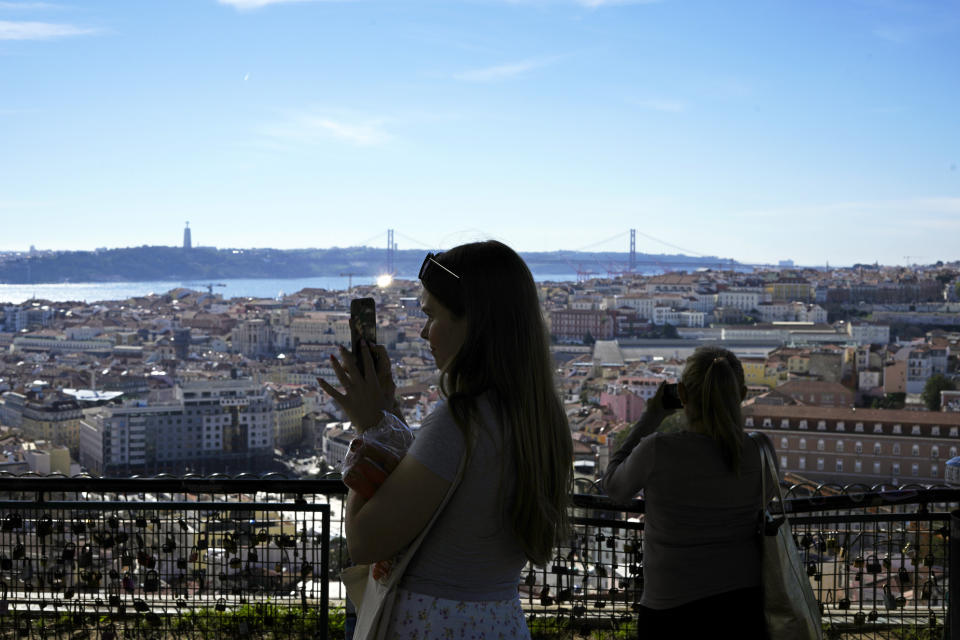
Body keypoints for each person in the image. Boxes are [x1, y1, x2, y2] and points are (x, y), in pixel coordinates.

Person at [319, 240, 573, 638]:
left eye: (432, 315)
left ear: (472, 322)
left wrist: (371, 431)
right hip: (501, 620)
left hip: (433, 623)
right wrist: (390, 416)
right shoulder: (541, 417)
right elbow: (444, 485)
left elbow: (365, 541)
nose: (423, 332)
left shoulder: (461, 421)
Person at [602, 346, 769, 639]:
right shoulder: (760, 451)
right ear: (742, 394)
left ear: (681, 394)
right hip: (744, 605)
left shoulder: (658, 451)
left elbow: (614, 488)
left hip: (671, 607)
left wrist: (651, 417)